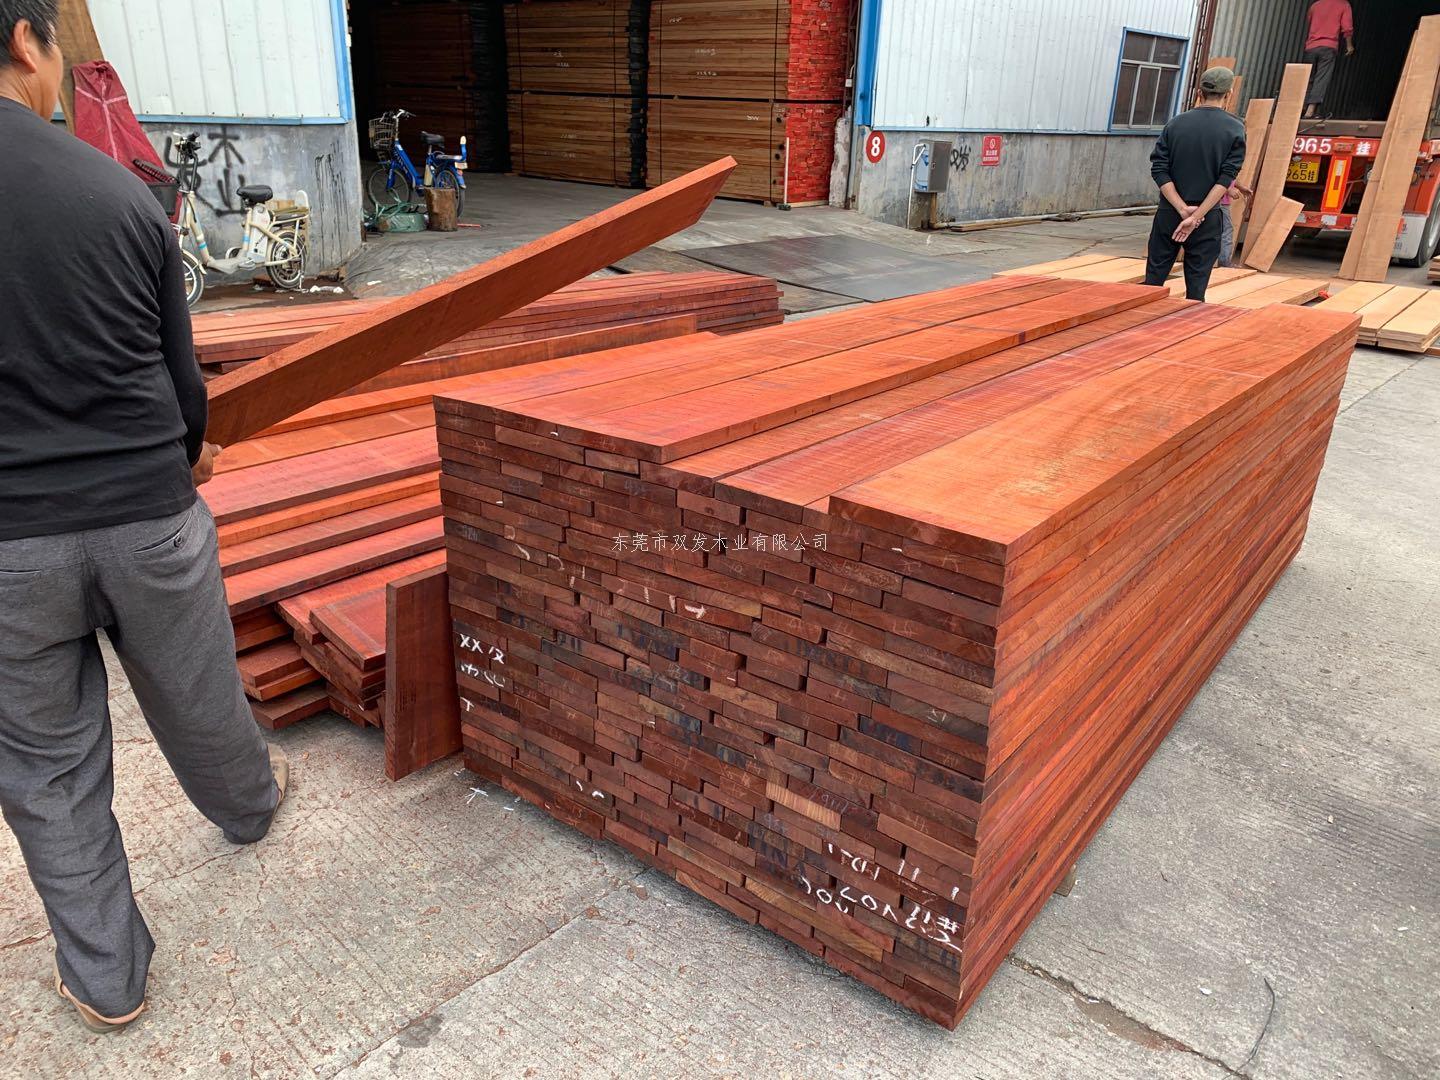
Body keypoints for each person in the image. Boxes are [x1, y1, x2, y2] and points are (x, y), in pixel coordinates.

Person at [0, 2, 288, 1034]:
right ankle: (249, 809)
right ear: (27, 42)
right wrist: (185, 452)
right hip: (147, 513)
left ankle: (108, 977)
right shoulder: (118, 192)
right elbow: (182, 382)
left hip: (8, 546)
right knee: (199, 688)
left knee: (48, 768)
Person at [1143, 66, 1247, 301]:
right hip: (1207, 217)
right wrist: (1196, 216)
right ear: (1229, 94)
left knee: (1152, 283)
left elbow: (1159, 169)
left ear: (1199, 92)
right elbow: (1226, 178)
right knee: (1196, 289)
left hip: (1169, 213)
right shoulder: (1235, 128)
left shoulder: (1175, 124)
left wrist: (1182, 209)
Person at [1302, 0, 1355, 119]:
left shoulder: (1315, 5)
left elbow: (1310, 21)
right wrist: (1349, 45)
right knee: (1322, 77)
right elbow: (1347, 28)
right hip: (1328, 47)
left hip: (1311, 47)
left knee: (1308, 78)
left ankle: (1302, 107)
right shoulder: (1343, 5)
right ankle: (1311, 109)